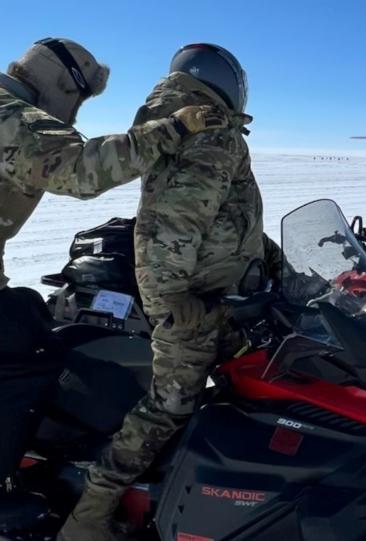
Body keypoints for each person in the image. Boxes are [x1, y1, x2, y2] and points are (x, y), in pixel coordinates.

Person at [0, 37, 228, 533]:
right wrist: (170, 130)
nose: (75, 114)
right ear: (64, 85)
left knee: (26, 314)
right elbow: (78, 172)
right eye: (79, 100)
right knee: (25, 351)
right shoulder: (11, 113)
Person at [59, 43, 265, 541]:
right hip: (194, 306)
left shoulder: (202, 129)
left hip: (222, 297)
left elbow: (232, 217)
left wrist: (275, 262)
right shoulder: (207, 134)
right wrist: (174, 309)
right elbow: (168, 228)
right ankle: (88, 515)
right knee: (169, 405)